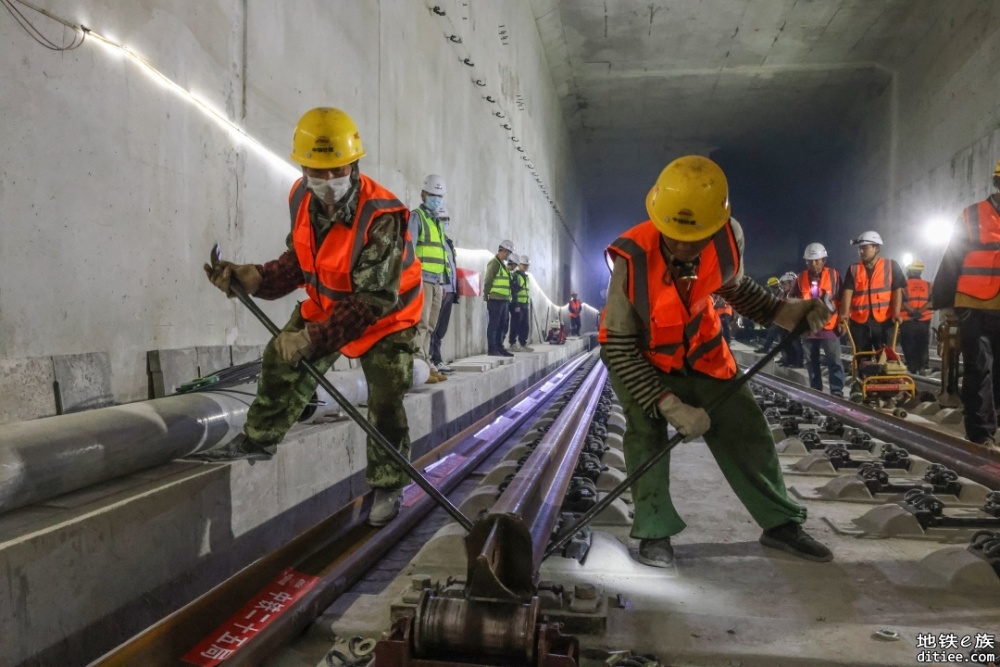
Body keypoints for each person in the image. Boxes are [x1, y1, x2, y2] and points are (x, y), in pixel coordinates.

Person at [599, 155, 833, 568]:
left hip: (703, 350)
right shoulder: (630, 258)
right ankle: (654, 531)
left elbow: (733, 285)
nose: (686, 247)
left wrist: (785, 311)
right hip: (645, 360)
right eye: (675, 237)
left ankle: (780, 523)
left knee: (747, 427)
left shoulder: (727, 237)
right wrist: (670, 405)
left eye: (697, 238)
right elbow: (616, 347)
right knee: (645, 433)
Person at [201, 107, 422, 527]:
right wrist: (256, 278)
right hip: (329, 305)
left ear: (354, 164)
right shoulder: (301, 198)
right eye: (315, 172)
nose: (325, 182)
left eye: (335, 170)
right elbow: (300, 261)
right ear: (302, 167)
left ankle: (389, 482)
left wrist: (311, 339)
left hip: (385, 316)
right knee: (277, 361)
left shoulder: (382, 216)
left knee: (386, 394)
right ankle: (259, 439)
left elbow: (371, 301)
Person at [931, 158, 1000, 448]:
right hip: (972, 304)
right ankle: (979, 432)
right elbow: (952, 257)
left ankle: (991, 421)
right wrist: (945, 302)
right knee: (978, 366)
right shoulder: (972, 215)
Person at [409, 174, 449, 384]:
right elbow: (409, 250)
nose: (436, 199)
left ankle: (425, 365)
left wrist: (442, 282)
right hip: (422, 279)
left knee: (431, 325)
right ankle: (417, 367)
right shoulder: (417, 217)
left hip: (435, 281)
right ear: (423, 194)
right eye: (433, 195)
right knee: (421, 324)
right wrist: (412, 279)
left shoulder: (437, 223)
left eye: (439, 196)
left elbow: (441, 256)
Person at [838, 231, 906, 352]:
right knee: (862, 359)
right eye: (860, 248)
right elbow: (847, 292)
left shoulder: (891, 265)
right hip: (859, 322)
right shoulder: (853, 269)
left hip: (884, 322)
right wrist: (844, 314)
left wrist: (896, 312)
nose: (861, 251)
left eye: (865, 248)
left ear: (876, 248)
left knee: (885, 359)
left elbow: (897, 291)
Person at [797, 243, 845, 397]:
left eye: (817, 260)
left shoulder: (834, 275)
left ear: (824, 260)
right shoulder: (801, 278)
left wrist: (844, 320)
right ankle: (816, 390)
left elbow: (843, 298)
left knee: (834, 361)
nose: (813, 264)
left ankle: (836, 390)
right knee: (811, 362)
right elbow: (791, 300)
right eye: (810, 261)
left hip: (829, 327)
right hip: (809, 328)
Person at [429, 205, 458, 374]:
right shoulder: (435, 241)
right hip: (440, 289)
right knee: (432, 326)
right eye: (442, 220)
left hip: (450, 290)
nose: (444, 223)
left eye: (446, 220)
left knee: (441, 328)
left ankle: (437, 359)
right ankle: (433, 359)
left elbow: (450, 266)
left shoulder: (447, 241)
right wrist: (441, 285)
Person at [899, 259, 933, 374]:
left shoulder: (903, 285)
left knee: (909, 344)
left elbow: (902, 301)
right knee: (923, 344)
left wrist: (912, 311)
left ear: (908, 271)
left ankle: (912, 368)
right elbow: (932, 302)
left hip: (908, 320)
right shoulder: (929, 285)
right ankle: (923, 366)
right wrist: (920, 311)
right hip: (924, 320)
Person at [484, 240, 515, 357]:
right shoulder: (494, 263)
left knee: (502, 325)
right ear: (502, 250)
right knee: (494, 325)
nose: (508, 255)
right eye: (507, 253)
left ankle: (499, 347)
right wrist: (486, 294)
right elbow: (488, 281)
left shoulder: (502, 265)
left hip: (504, 300)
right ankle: (492, 349)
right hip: (495, 299)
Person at [778, 272, 804, 367]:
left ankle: (798, 363)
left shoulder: (796, 295)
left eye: (785, 283)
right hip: (785, 322)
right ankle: (788, 360)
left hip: (794, 323)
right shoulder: (784, 294)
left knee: (796, 343)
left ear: (792, 283)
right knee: (784, 342)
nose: (783, 286)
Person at [509, 255, 534, 351]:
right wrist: (516, 304)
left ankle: (523, 343)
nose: (526, 267)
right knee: (515, 324)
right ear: (519, 265)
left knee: (525, 325)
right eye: (524, 265)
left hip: (525, 304)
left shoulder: (526, 277)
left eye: (527, 265)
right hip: (518, 304)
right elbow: (514, 291)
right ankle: (512, 343)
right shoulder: (515, 276)